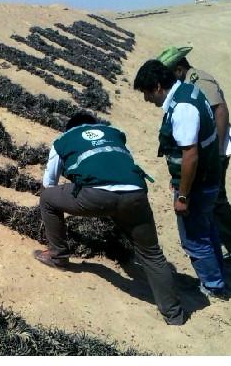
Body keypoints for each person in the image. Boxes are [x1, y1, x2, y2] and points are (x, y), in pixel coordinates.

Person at [36, 111, 186, 325]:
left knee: (47, 199)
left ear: (70, 128)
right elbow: (126, 165)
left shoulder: (63, 140)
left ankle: (58, 255)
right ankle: (174, 314)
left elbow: (49, 183)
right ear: (94, 125)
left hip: (96, 195)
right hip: (135, 194)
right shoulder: (114, 134)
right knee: (152, 254)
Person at [133, 59, 229, 301]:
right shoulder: (188, 90)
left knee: (194, 239)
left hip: (198, 185)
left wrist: (183, 195)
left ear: (157, 87)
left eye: (146, 93)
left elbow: (190, 155)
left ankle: (213, 286)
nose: (146, 99)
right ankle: (218, 276)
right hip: (208, 176)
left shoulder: (182, 109)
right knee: (207, 230)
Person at [156, 46, 231, 261]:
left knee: (216, 196)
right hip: (208, 148)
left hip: (215, 149)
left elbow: (220, 110)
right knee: (211, 194)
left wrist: (217, 152)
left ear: (179, 69)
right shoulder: (187, 83)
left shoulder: (199, 80)